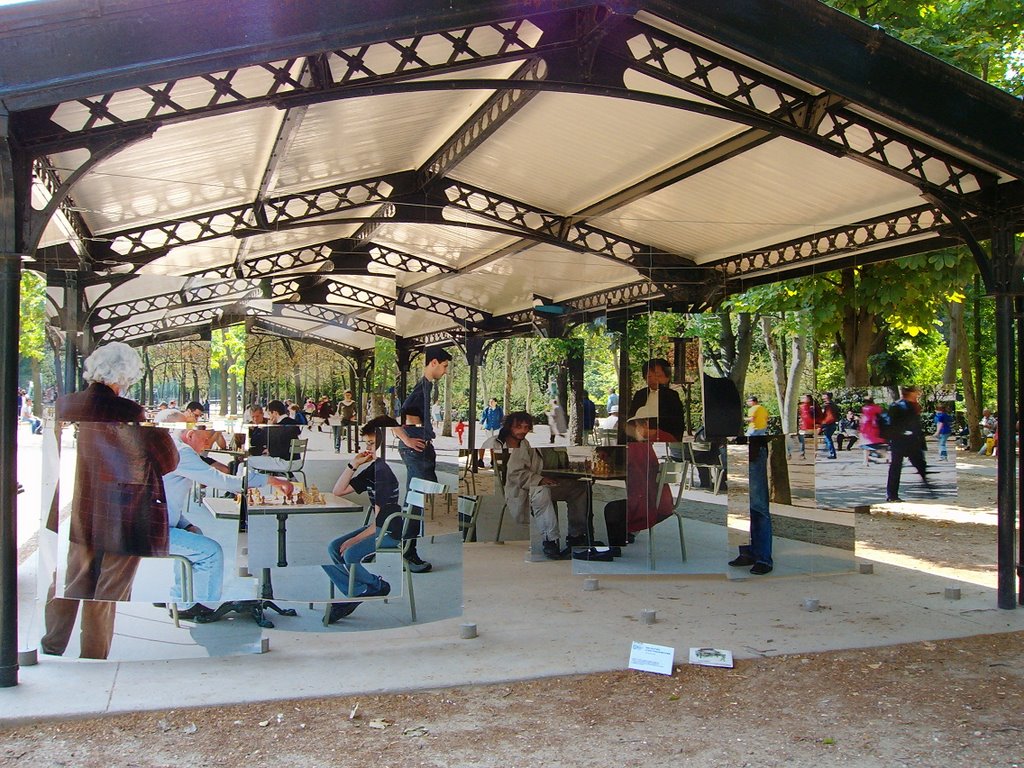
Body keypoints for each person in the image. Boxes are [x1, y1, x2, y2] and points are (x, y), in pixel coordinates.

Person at [42, 342, 180, 659]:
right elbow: (167, 459)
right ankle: (93, 657)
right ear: (125, 376)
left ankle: (52, 646)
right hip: (125, 516)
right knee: (108, 592)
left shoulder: (66, 406)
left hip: (83, 514)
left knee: (71, 581)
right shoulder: (129, 413)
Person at [161, 427, 292, 620]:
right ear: (190, 435)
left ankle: (180, 597)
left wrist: (185, 523)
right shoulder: (182, 452)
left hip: (153, 522)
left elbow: (164, 497)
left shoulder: (169, 447)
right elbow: (223, 481)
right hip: (152, 530)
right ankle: (202, 606)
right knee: (211, 551)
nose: (208, 445)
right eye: (206, 439)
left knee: (194, 534)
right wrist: (272, 480)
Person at [321, 417, 400, 623]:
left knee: (349, 553)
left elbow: (381, 522)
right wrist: (353, 464)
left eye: (372, 444)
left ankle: (361, 591)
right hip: (376, 526)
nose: (368, 448)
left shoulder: (383, 473)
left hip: (389, 530)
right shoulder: (372, 470)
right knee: (331, 548)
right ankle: (368, 588)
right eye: (367, 444)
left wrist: (353, 541)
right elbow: (338, 491)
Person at [393, 346, 454, 574]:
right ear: (434, 362)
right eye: (445, 366)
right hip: (416, 450)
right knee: (418, 501)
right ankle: (407, 553)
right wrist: (407, 440)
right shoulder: (420, 389)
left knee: (420, 500)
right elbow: (393, 421)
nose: (446, 371)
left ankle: (405, 547)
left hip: (423, 450)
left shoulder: (426, 389)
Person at [503, 411, 591, 560]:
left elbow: (559, 467)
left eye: (526, 427)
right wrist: (540, 479)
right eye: (519, 427)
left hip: (551, 483)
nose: (523, 430)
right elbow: (515, 473)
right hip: (525, 488)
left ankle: (576, 536)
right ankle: (550, 540)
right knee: (541, 492)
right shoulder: (522, 443)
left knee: (580, 488)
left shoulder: (556, 443)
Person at [603, 404, 675, 546]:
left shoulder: (636, 448)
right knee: (621, 505)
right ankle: (626, 534)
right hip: (663, 503)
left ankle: (615, 548)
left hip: (650, 505)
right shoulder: (646, 446)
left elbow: (632, 472)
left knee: (611, 509)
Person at [728, 435, 773, 575]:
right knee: (739, 507)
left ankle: (763, 559)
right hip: (736, 447)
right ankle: (746, 553)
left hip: (753, 448)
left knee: (758, 508)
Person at [886, 386, 931, 503]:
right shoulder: (896, 406)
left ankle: (929, 487)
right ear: (909, 393)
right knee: (895, 468)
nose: (917, 394)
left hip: (912, 442)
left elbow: (917, 425)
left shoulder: (914, 406)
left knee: (920, 464)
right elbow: (891, 425)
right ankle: (892, 495)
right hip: (899, 442)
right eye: (915, 392)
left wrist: (921, 441)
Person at [627, 358, 684, 442]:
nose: (653, 379)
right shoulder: (640, 394)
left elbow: (677, 423)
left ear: (666, 377)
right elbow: (631, 418)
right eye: (649, 376)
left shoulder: (671, 395)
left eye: (658, 375)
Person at [247, 400, 301, 472]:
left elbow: (254, 442)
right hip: (297, 461)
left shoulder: (275, 427)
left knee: (248, 461)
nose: (269, 417)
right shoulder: (294, 423)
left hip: (284, 462)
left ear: (275, 413)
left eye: (269, 414)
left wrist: (267, 427)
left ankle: (259, 480)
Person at [858, 396, 886, 466]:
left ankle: (865, 461)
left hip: (867, 431)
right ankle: (887, 457)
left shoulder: (866, 410)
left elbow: (865, 420)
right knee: (880, 445)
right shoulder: (878, 408)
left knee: (866, 446)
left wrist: (861, 430)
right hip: (878, 429)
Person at [478, 398, 503, 468]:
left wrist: (502, 426)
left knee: (494, 444)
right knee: (487, 443)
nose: (490, 403)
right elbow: (483, 417)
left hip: (496, 427)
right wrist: (481, 425)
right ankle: (480, 460)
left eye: (492, 401)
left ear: (496, 402)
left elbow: (502, 418)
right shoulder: (487, 409)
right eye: (490, 401)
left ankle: (493, 461)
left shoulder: (499, 409)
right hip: (488, 428)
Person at [796, 393, 818, 459]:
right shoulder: (801, 407)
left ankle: (810, 453)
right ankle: (802, 453)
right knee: (802, 440)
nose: (802, 399)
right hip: (805, 426)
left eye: (803, 397)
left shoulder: (811, 407)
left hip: (810, 426)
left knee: (807, 441)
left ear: (808, 399)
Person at [819, 392, 840, 459]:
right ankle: (832, 453)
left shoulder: (827, 405)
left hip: (828, 423)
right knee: (828, 438)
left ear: (827, 397)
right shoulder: (834, 405)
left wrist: (822, 424)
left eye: (824, 395)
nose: (822, 397)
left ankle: (832, 453)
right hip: (832, 423)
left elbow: (826, 416)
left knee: (828, 438)